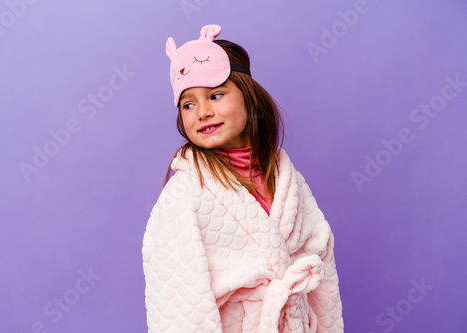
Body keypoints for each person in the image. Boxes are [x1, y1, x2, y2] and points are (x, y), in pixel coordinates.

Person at [142, 24, 343, 333]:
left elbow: (322, 272)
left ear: (249, 98)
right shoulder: (184, 194)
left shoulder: (288, 181)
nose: (203, 112)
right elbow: (177, 305)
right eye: (188, 104)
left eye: (216, 95)